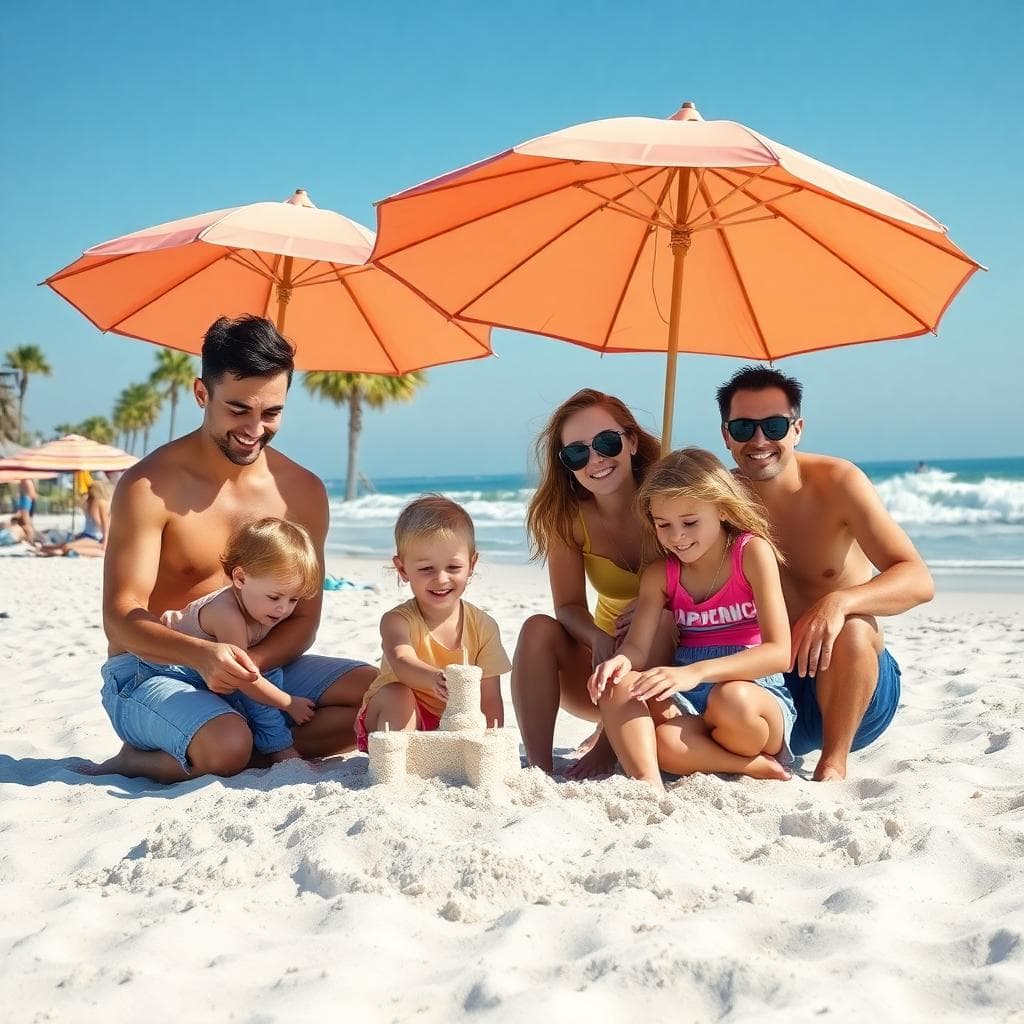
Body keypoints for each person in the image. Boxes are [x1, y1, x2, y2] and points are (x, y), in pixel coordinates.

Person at [80, 315, 375, 783]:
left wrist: (248, 670)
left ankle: (232, 743)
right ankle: (136, 759)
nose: (254, 429)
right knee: (227, 745)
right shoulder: (148, 486)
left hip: (259, 667)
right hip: (154, 670)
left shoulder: (302, 493)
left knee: (377, 694)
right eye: (238, 410)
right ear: (202, 394)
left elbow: (304, 619)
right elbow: (121, 617)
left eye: (271, 413)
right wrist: (202, 656)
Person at [716, 366, 934, 781]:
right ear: (726, 435)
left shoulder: (838, 482)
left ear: (797, 429)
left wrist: (840, 601)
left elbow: (917, 579)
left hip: (853, 692)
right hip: (767, 687)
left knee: (854, 627)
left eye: (774, 426)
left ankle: (833, 765)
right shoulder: (719, 500)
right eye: (743, 427)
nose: (759, 440)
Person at [589, 448, 795, 791]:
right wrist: (621, 662)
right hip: (689, 697)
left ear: (722, 509)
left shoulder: (751, 553)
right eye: (663, 525)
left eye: (689, 522)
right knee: (628, 697)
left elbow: (779, 652)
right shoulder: (660, 575)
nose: (677, 537)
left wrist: (694, 672)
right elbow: (637, 648)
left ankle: (739, 756)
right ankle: (650, 785)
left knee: (731, 700)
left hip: (754, 694)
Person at [511, 389, 675, 779]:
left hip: (672, 671)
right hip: (602, 672)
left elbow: (719, 579)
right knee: (537, 629)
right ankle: (540, 767)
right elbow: (568, 606)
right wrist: (597, 637)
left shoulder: (674, 504)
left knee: (660, 620)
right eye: (577, 453)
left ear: (631, 441)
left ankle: (608, 743)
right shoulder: (568, 519)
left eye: (606, 442)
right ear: (566, 464)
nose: (596, 459)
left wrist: (659, 602)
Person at [130, 517, 323, 764]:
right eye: (275, 597)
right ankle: (278, 747)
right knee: (255, 680)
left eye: (293, 600)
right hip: (166, 670)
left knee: (269, 673)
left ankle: (265, 742)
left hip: (207, 670)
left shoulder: (260, 605)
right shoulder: (226, 615)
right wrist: (288, 703)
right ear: (240, 578)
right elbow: (244, 678)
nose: (283, 609)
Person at [355, 495, 510, 750]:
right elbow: (402, 661)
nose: (441, 579)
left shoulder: (484, 626)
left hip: (451, 724)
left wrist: (491, 745)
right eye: (427, 569)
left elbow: (490, 697)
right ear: (403, 570)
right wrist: (433, 678)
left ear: (471, 565)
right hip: (394, 719)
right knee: (398, 695)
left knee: (475, 717)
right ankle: (398, 761)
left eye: (453, 567)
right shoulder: (397, 620)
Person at [36, 481, 111, 557]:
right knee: (64, 545)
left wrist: (105, 542)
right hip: (87, 535)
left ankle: (56, 551)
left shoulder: (101, 503)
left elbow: (105, 525)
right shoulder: (90, 503)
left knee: (66, 546)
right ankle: (43, 549)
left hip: (95, 538)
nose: (87, 493)